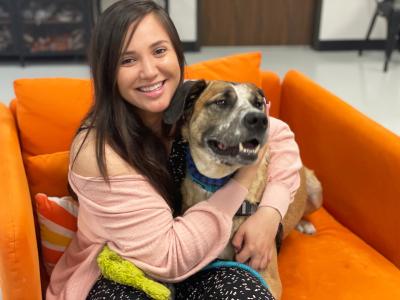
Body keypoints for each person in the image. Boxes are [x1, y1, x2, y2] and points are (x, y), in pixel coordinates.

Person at [46, 1, 302, 299]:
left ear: (177, 54)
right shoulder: (97, 152)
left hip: (208, 259)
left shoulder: (188, 100)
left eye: (159, 51)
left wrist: (270, 213)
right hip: (126, 267)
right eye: (127, 60)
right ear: (107, 72)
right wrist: (244, 178)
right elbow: (169, 257)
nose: (149, 71)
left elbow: (277, 133)